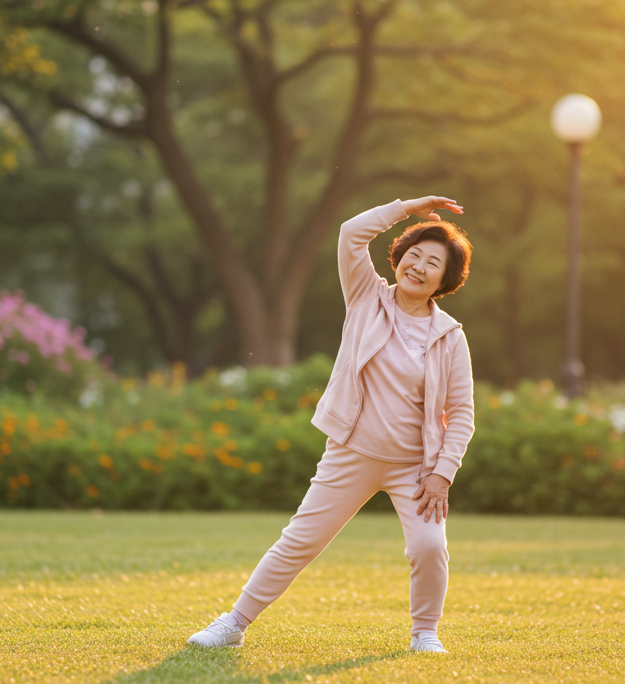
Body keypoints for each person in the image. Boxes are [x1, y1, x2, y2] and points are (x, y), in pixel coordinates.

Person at [188, 196, 475, 653]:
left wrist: (442, 472)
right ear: (400, 258)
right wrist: (408, 208)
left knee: (428, 548)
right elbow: (350, 233)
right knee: (299, 541)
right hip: (352, 453)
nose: (418, 266)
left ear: (446, 279)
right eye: (414, 255)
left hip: (415, 469)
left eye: (432, 262)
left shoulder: (450, 336)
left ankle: (425, 634)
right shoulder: (366, 297)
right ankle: (233, 624)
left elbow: (461, 412)